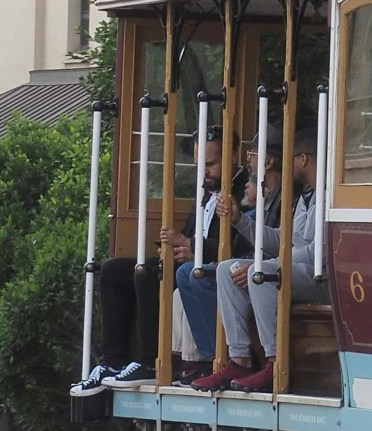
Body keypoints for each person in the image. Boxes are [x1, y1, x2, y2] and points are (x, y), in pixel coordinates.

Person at [86, 128, 238, 387]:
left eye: (210, 164)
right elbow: (193, 234)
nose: (203, 171)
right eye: (199, 164)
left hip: (208, 272)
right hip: (188, 263)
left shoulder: (244, 190)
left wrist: (191, 247)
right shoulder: (205, 191)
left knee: (145, 274)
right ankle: (113, 360)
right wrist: (177, 246)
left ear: (233, 156)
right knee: (113, 270)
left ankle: (149, 362)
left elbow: (241, 246)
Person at [197, 125, 330, 395]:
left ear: (303, 158)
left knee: (263, 274)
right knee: (226, 269)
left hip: (322, 278)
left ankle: (275, 361)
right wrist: (239, 220)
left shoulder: (329, 194)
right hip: (297, 270)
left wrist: (266, 265)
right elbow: (284, 239)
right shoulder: (306, 195)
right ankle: (240, 359)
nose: (287, 164)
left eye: (291, 157)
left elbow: (318, 254)